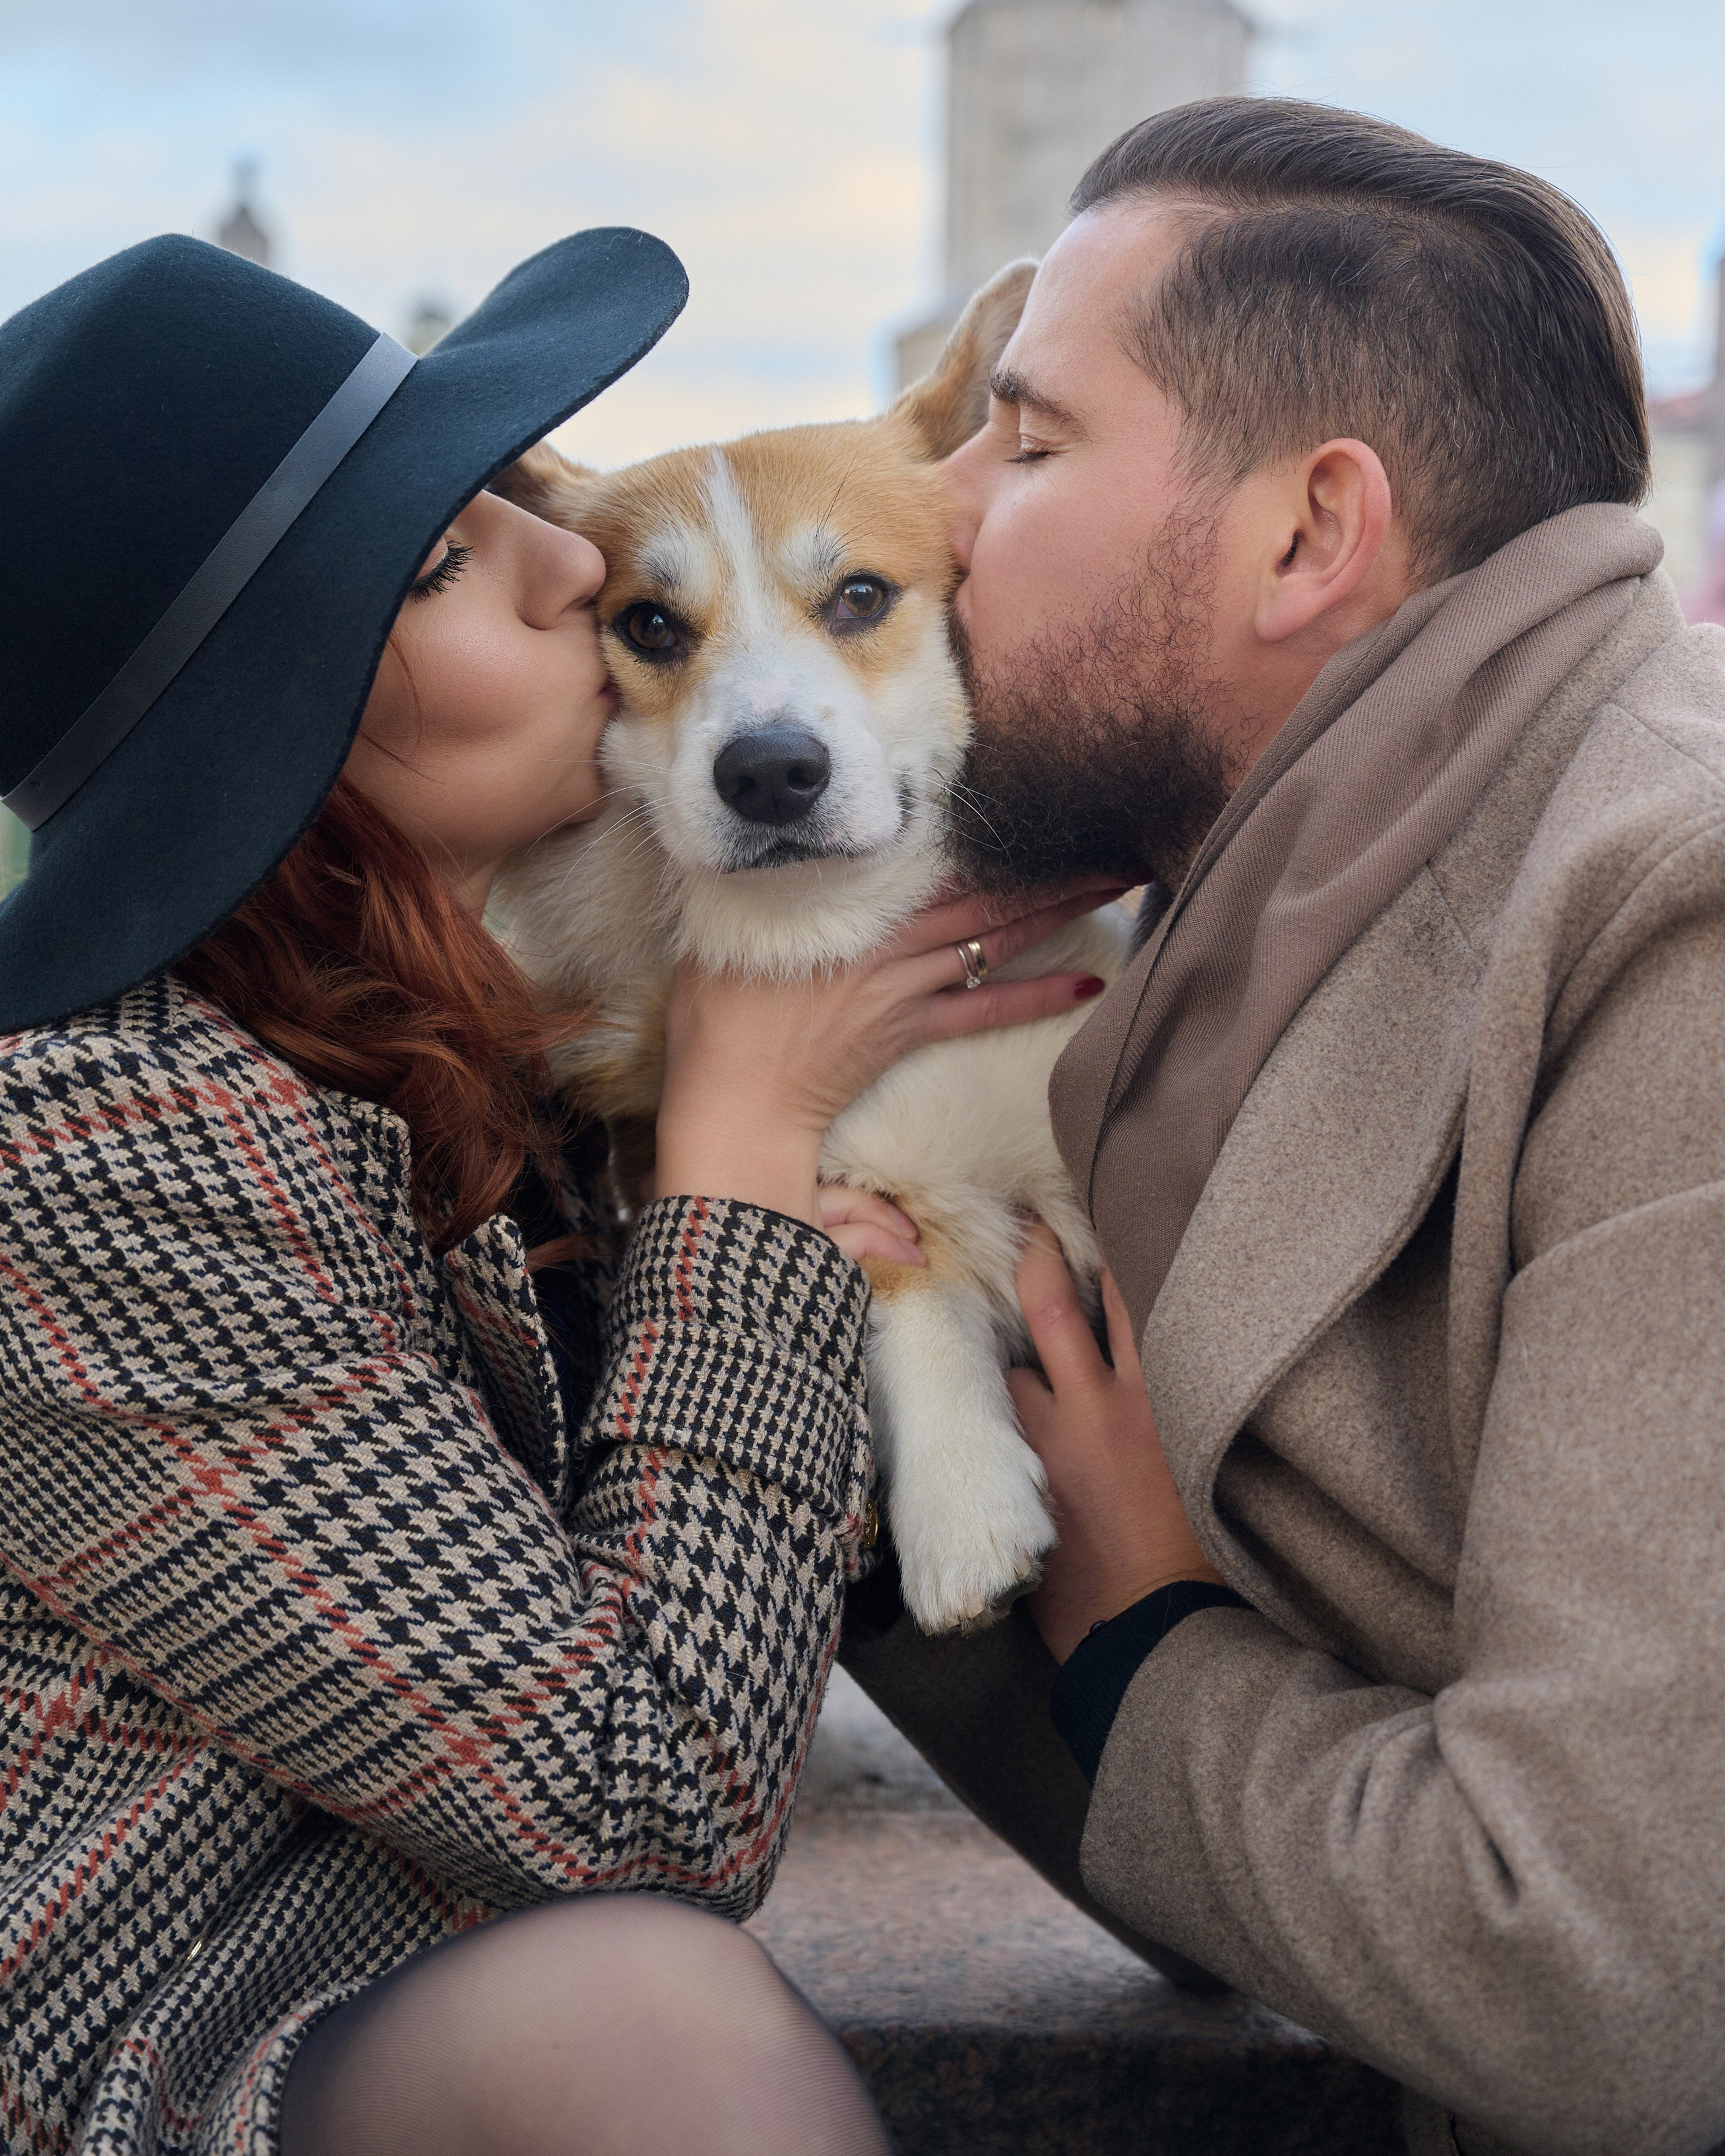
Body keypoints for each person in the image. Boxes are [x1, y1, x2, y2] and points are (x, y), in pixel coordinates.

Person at [0, 232, 1110, 2155]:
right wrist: (748, 1152)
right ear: (285, 736)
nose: (568, 556)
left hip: (436, 1966)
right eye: (440, 557)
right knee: (652, 2034)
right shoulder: (96, 1149)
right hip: (169, 2041)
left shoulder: (482, 1040)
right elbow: (640, 1801)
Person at [841, 97, 1725, 2156]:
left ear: (1311, 537)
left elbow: (1604, 1978)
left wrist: (1150, 1638)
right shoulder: (1275, 921)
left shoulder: (1673, 921)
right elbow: (1250, 1900)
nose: (944, 504)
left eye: (1029, 439)